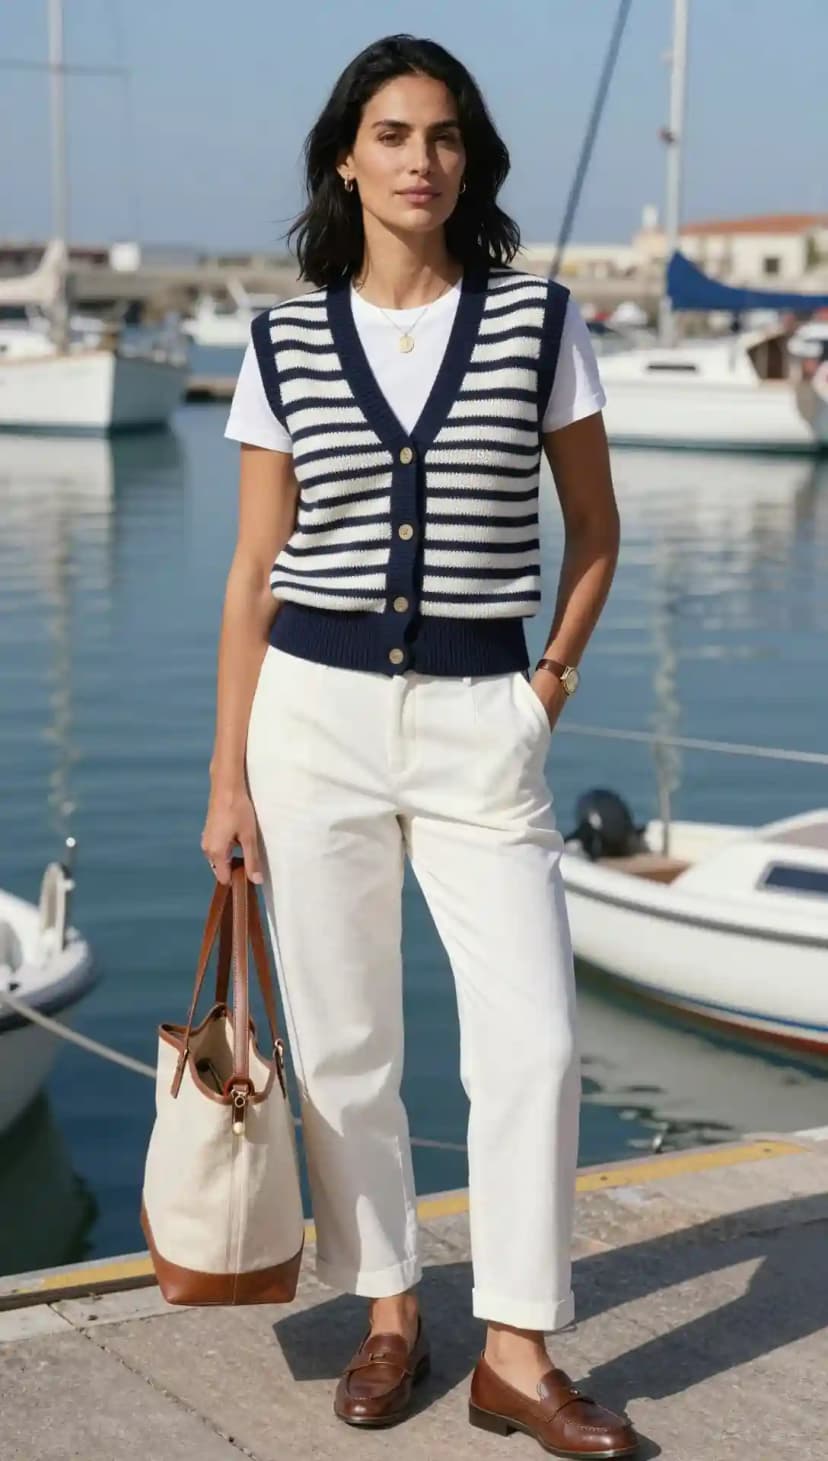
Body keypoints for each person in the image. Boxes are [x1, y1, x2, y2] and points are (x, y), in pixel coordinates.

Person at [206, 32, 637, 1458]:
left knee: (536, 1040)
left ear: (470, 160)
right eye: (392, 134)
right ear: (347, 157)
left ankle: (518, 1345)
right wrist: (227, 776)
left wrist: (545, 688)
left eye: (445, 136)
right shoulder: (282, 342)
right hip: (309, 721)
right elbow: (253, 573)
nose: (421, 160)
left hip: (482, 721)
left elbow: (596, 529)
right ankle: (390, 1309)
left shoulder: (537, 323)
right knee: (345, 1045)